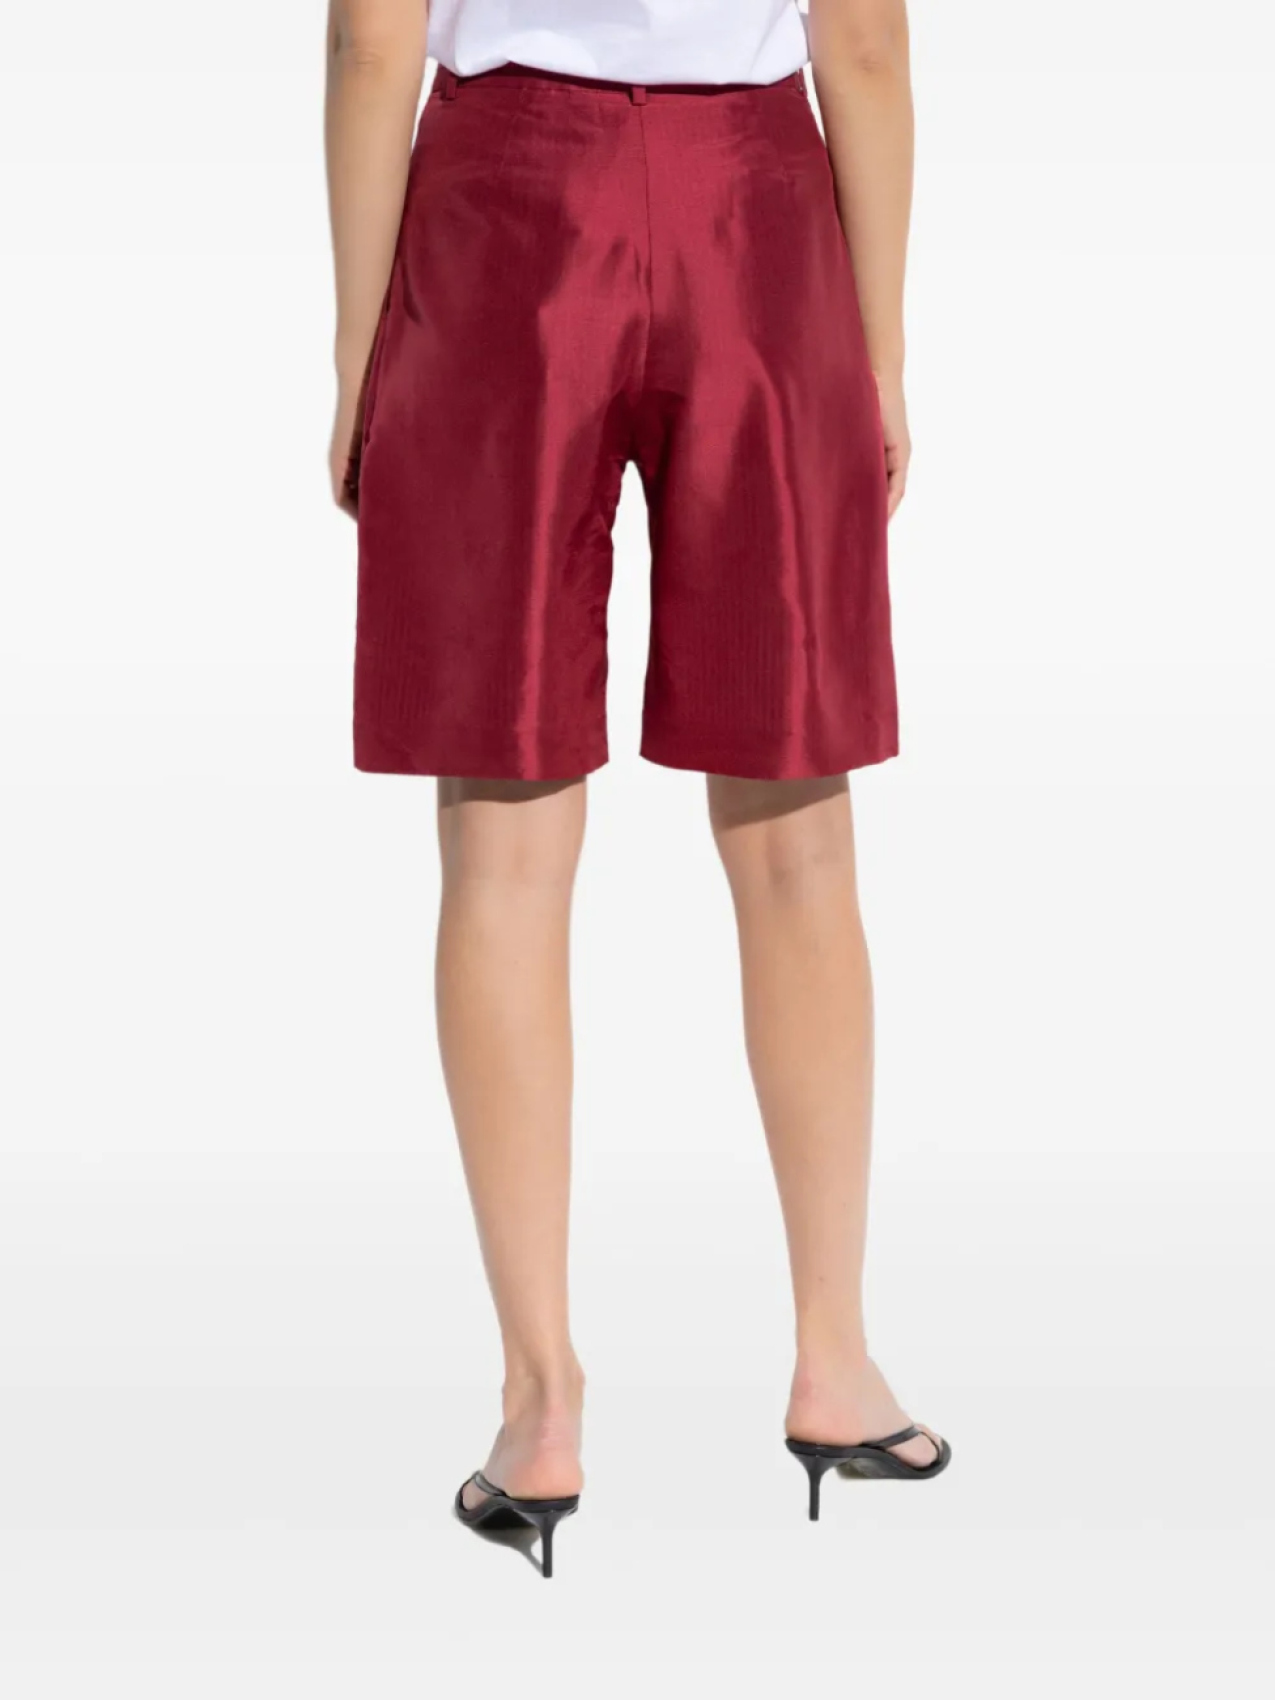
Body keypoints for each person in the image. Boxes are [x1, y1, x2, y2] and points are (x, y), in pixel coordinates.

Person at [325, 0, 948, 1578]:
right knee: (796, 834)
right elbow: (865, 46)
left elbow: (372, 43)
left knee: (505, 842)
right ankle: (834, 1363)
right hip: (758, 213)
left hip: (502, 212)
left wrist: (354, 346)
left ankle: (540, 1403)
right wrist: (880, 352)